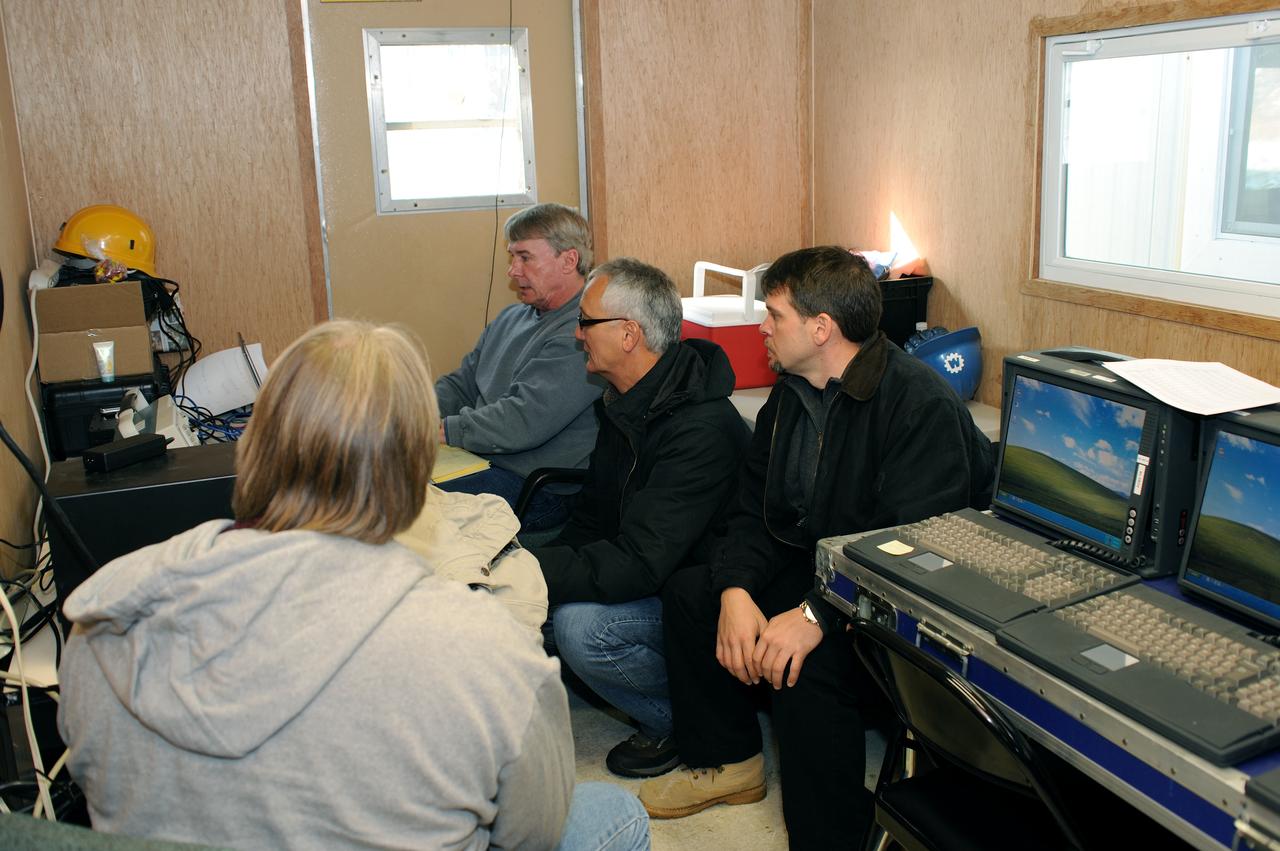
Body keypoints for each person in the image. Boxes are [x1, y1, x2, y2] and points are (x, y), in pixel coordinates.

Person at [58, 320, 649, 851]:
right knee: (614, 813)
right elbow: (532, 832)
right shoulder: (485, 647)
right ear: (417, 469)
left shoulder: (108, 616)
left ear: (255, 444)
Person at [638, 247, 995, 849]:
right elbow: (753, 512)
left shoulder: (919, 405)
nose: (763, 327)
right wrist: (736, 590)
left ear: (821, 328)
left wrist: (815, 615)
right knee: (693, 593)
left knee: (804, 665)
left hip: (901, 606)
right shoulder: (792, 395)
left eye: (774, 315)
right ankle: (730, 763)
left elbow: (908, 551)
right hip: (827, 570)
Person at [528, 258, 749, 779]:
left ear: (629, 334)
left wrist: (528, 573)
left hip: (696, 603)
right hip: (651, 577)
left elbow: (641, 564)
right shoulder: (627, 403)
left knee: (581, 629)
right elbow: (591, 522)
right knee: (526, 605)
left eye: (585, 322)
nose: (577, 334)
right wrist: (518, 571)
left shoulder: (700, 429)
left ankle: (685, 720)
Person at [435, 202, 604, 531]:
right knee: (380, 478)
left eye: (525, 257)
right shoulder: (511, 317)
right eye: (512, 257)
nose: (513, 270)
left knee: (405, 502)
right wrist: (414, 415)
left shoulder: (583, 332)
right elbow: (461, 384)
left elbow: (523, 420)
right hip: (482, 460)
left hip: (537, 487)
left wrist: (442, 430)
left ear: (569, 260)